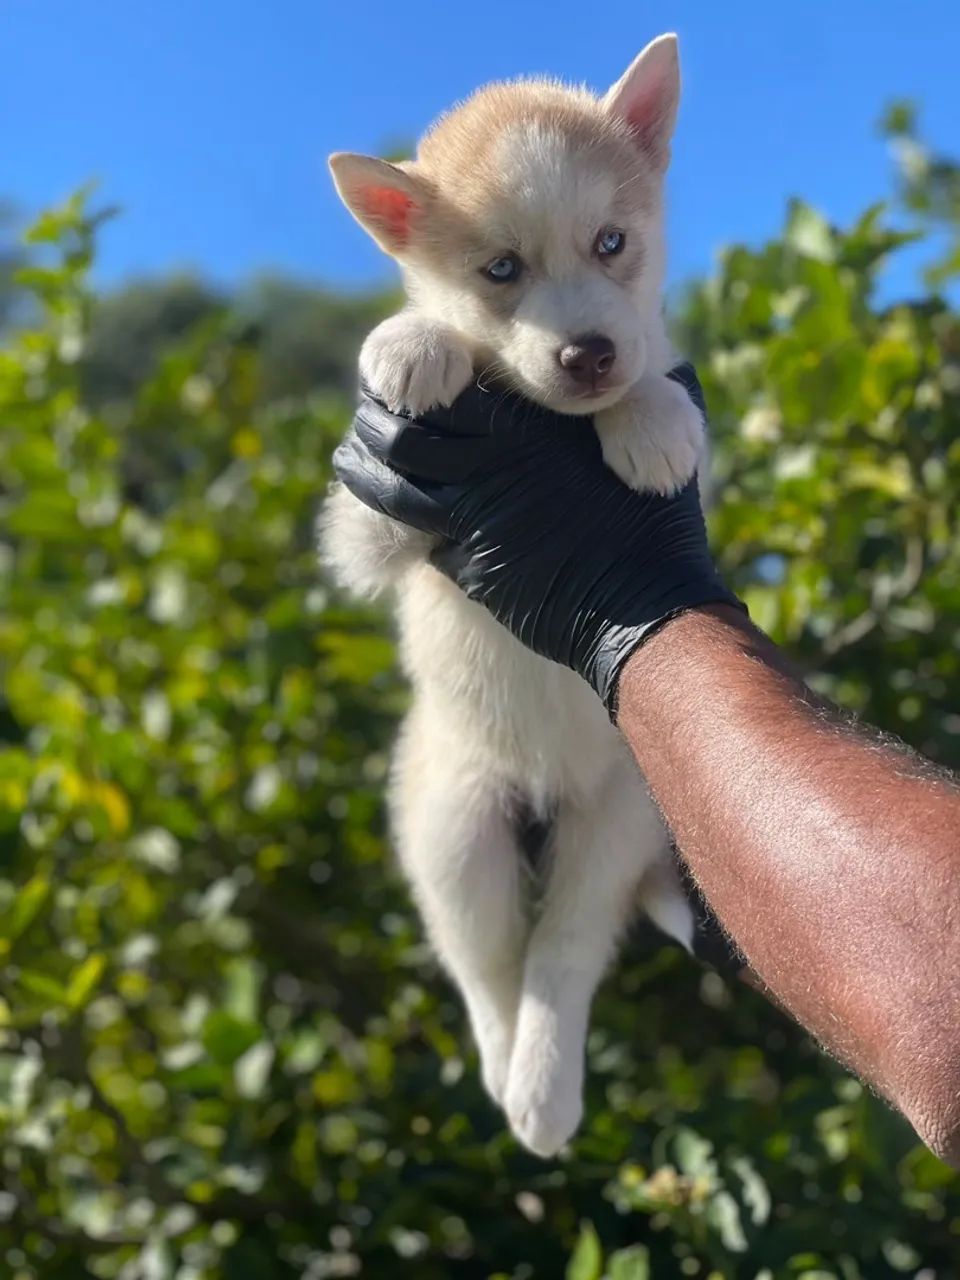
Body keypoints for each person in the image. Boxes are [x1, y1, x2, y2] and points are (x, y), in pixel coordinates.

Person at [332, 366, 960, 1166]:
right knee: (468, 877)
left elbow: (943, 1023)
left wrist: (644, 613)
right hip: (475, 747)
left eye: (612, 245)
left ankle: (560, 982)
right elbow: (360, 553)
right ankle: (495, 1004)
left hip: (617, 755)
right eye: (502, 270)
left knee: (606, 840)